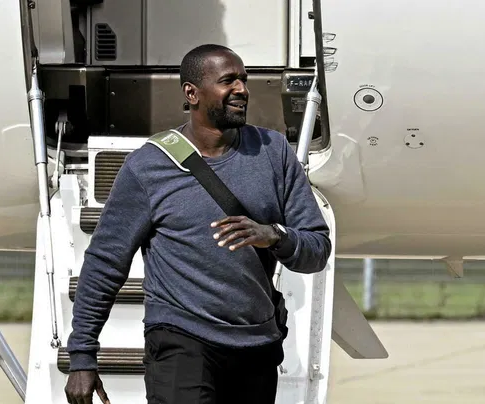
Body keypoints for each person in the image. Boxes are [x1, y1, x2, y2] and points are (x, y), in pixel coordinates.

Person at [63, 44, 332, 404]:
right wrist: (82, 356)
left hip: (256, 346)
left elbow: (316, 250)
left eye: (244, 80)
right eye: (228, 81)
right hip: (181, 340)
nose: (241, 89)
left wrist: (275, 236)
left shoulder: (274, 151)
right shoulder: (147, 167)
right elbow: (105, 263)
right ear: (192, 92)